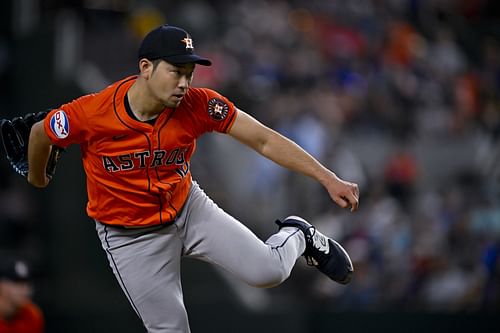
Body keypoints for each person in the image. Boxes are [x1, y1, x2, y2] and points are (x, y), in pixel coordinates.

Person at [27, 25, 359, 332]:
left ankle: (300, 235)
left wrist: (327, 178)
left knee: (268, 272)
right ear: (146, 68)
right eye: (175, 72)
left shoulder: (199, 104)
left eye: (189, 73)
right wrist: (38, 177)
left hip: (188, 209)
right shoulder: (92, 113)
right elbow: (41, 132)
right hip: (130, 237)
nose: (184, 83)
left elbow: (264, 139)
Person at [0, 255, 44, 333]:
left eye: (27, 283)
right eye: (17, 283)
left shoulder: (32, 316)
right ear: (2, 285)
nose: (24, 289)